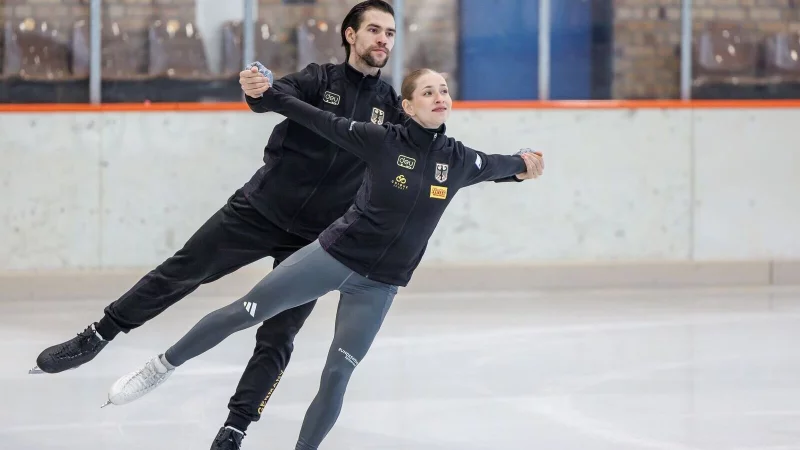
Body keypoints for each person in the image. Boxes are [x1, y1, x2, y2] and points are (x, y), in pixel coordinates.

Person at [104, 67, 545, 450]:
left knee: (337, 374)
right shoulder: (381, 140)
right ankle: (159, 368)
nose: (439, 97)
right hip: (332, 256)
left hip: (379, 285)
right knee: (244, 312)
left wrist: (526, 163)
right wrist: (269, 92)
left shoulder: (459, 160)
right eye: (427, 91)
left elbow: (502, 165)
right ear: (407, 107)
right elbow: (318, 119)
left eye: (444, 90)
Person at [32, 1, 407, 447]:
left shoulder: (390, 106)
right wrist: (254, 86)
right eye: (375, 30)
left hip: (315, 243)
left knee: (278, 336)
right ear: (351, 35)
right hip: (259, 210)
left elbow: (415, 157)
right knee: (179, 273)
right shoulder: (318, 79)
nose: (384, 39)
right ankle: (96, 336)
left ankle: (235, 427)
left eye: (390, 32)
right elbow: (266, 94)